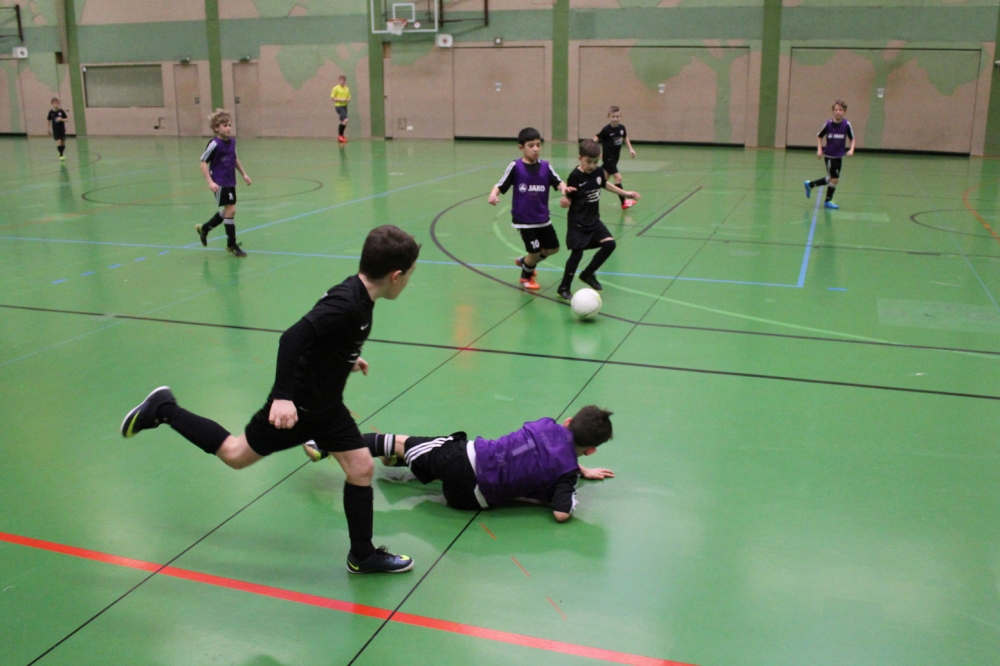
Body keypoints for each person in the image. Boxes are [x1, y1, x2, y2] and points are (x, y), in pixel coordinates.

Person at [120, 225, 421, 574]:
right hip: (300, 409)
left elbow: (322, 340)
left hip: (326, 407)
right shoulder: (347, 304)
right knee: (235, 455)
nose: (408, 281)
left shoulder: (359, 297)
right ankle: (164, 409)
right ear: (395, 276)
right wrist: (282, 398)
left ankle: (362, 555)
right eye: (409, 275)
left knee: (361, 468)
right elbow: (292, 338)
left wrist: (344, 359)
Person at [307, 406, 615, 522]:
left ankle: (325, 444)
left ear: (568, 421)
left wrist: (572, 469)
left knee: (399, 441)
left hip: (464, 460)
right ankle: (409, 460)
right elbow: (561, 512)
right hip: (470, 500)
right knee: (430, 457)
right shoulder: (567, 473)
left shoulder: (546, 424)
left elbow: (546, 449)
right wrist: (574, 478)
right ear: (590, 451)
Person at [488, 127, 572, 290]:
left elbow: (558, 182)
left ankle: (525, 262)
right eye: (531, 145)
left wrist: (564, 189)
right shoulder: (515, 166)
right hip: (524, 220)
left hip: (542, 218)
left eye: (538, 145)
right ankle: (525, 277)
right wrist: (493, 194)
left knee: (553, 248)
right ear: (521, 147)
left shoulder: (546, 167)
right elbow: (500, 184)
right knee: (534, 252)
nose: (535, 149)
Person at [556, 139, 640, 299]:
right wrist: (565, 202)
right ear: (580, 158)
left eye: (595, 162)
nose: (591, 166)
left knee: (610, 244)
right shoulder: (575, 176)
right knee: (577, 254)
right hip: (578, 222)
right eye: (588, 162)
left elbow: (604, 184)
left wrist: (625, 193)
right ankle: (564, 287)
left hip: (593, 221)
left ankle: (588, 274)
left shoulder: (598, 172)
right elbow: (569, 197)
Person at [195, 109, 252, 257]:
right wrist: (210, 182)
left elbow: (234, 159)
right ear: (216, 128)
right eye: (225, 125)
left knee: (228, 211)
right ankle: (231, 244)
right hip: (219, 182)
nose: (228, 128)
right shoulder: (214, 144)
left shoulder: (232, 142)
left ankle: (205, 228)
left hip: (230, 180)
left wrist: (244, 174)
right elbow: (203, 163)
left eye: (229, 125)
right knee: (231, 210)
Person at [805, 99, 855, 210]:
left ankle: (810, 184)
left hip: (839, 156)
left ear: (844, 111)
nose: (838, 112)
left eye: (840, 110)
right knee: (835, 179)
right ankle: (828, 201)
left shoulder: (846, 125)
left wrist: (851, 149)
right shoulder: (828, 124)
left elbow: (852, 138)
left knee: (830, 179)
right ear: (833, 111)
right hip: (829, 156)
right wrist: (819, 150)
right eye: (836, 110)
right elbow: (819, 136)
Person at [593, 106, 637, 210]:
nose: (615, 119)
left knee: (601, 181)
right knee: (618, 178)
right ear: (609, 117)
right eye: (613, 117)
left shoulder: (622, 128)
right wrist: (595, 150)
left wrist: (631, 149)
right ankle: (624, 202)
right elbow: (596, 138)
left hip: (615, 158)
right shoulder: (606, 130)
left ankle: (587, 196)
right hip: (608, 158)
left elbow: (625, 137)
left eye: (617, 117)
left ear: (621, 117)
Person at [330, 75, 351, 144]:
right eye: (341, 80)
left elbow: (349, 97)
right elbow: (332, 98)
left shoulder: (347, 88)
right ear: (339, 81)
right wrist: (341, 99)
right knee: (346, 120)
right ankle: (340, 136)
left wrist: (348, 99)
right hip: (339, 106)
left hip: (345, 106)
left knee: (343, 121)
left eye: (343, 80)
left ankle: (341, 136)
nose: (342, 81)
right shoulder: (335, 88)